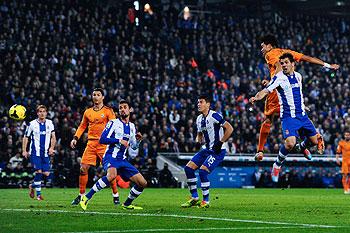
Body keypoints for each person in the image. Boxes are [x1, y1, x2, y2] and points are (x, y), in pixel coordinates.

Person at [255, 35, 340, 161]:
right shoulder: (288, 53)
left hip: (277, 90)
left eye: (262, 46)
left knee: (268, 119)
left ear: (269, 45)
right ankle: (304, 146)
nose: (261, 49)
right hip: (287, 87)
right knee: (296, 114)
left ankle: (260, 151)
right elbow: (307, 58)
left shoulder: (270, 53)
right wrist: (328, 65)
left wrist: (273, 82)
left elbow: (278, 65)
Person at [250, 53, 320, 182]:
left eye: (286, 63)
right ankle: (277, 165)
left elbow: (298, 93)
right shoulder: (279, 78)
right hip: (288, 117)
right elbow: (266, 90)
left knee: (315, 142)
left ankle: (302, 147)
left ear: (293, 64)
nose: (283, 65)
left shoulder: (299, 76)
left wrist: (303, 106)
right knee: (290, 143)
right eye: (281, 63)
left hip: (302, 115)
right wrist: (257, 97)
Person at [80, 100, 146, 210]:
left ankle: (127, 204)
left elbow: (133, 147)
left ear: (130, 110)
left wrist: (138, 141)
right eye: (120, 108)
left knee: (142, 183)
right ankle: (86, 197)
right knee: (111, 176)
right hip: (111, 156)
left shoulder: (132, 127)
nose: (122, 109)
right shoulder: (113, 123)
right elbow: (102, 139)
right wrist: (118, 140)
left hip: (123, 160)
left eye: (125, 107)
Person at [181, 95, 233, 208]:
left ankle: (206, 201)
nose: (198, 104)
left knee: (203, 172)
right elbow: (199, 134)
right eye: (198, 102)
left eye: (201, 102)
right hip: (206, 149)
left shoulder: (214, 115)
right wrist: (197, 140)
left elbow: (230, 128)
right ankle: (194, 197)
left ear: (208, 104)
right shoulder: (199, 119)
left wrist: (220, 142)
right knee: (188, 169)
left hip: (218, 151)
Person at [70, 88, 119, 205]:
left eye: (98, 95)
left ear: (102, 97)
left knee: (110, 172)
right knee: (83, 169)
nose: (96, 97)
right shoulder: (88, 112)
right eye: (94, 95)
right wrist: (75, 138)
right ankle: (81, 196)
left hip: (105, 145)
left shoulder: (108, 111)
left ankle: (115, 194)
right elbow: (82, 126)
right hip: (91, 144)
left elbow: (115, 126)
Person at [22, 105, 56, 200]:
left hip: (45, 153)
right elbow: (26, 137)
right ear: (37, 113)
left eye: (44, 111)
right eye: (40, 111)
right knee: (39, 172)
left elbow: (53, 137)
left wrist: (51, 148)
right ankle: (39, 195)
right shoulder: (31, 124)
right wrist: (24, 150)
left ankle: (32, 186)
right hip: (35, 153)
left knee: (46, 174)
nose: (42, 113)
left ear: (46, 113)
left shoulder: (50, 123)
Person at [336, 130, 350, 194]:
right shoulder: (341, 143)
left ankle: (349, 188)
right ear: (344, 136)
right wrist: (337, 159)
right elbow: (338, 152)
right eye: (346, 135)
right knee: (345, 175)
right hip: (345, 162)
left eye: (348, 135)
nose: (347, 136)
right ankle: (345, 189)